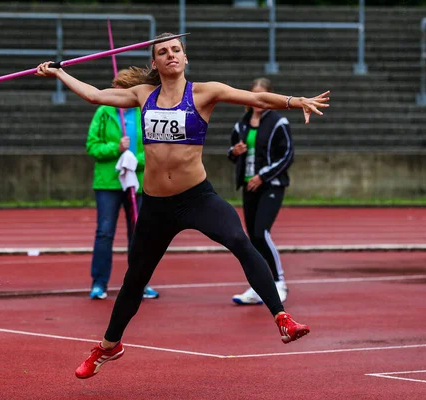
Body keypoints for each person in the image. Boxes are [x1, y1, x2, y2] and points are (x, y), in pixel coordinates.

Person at [35, 32, 329, 379]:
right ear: (156, 63)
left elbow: (255, 96)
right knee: (135, 279)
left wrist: (296, 101)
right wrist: (59, 73)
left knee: (240, 240)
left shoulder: (205, 92)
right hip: (157, 206)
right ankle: (108, 347)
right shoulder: (143, 94)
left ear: (185, 59)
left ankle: (282, 318)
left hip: (197, 198)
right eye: (163, 52)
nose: (171, 54)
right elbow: (97, 95)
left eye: (177, 50)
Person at [86, 68, 159, 301]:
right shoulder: (104, 112)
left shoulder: (144, 113)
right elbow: (92, 146)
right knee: (105, 232)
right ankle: (99, 283)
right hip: (108, 183)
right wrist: (115, 149)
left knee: (139, 234)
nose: (115, 93)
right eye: (114, 88)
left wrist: (134, 160)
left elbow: (155, 150)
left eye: (121, 89)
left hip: (136, 182)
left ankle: (140, 282)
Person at [228, 77, 293, 305]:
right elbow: (232, 150)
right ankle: (259, 286)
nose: (257, 100)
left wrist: (262, 176)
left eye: (262, 95)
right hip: (248, 186)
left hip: (271, 186)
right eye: (254, 94)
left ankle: (279, 282)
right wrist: (235, 151)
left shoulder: (278, 122)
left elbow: (286, 155)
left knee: (261, 233)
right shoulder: (242, 124)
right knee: (252, 239)